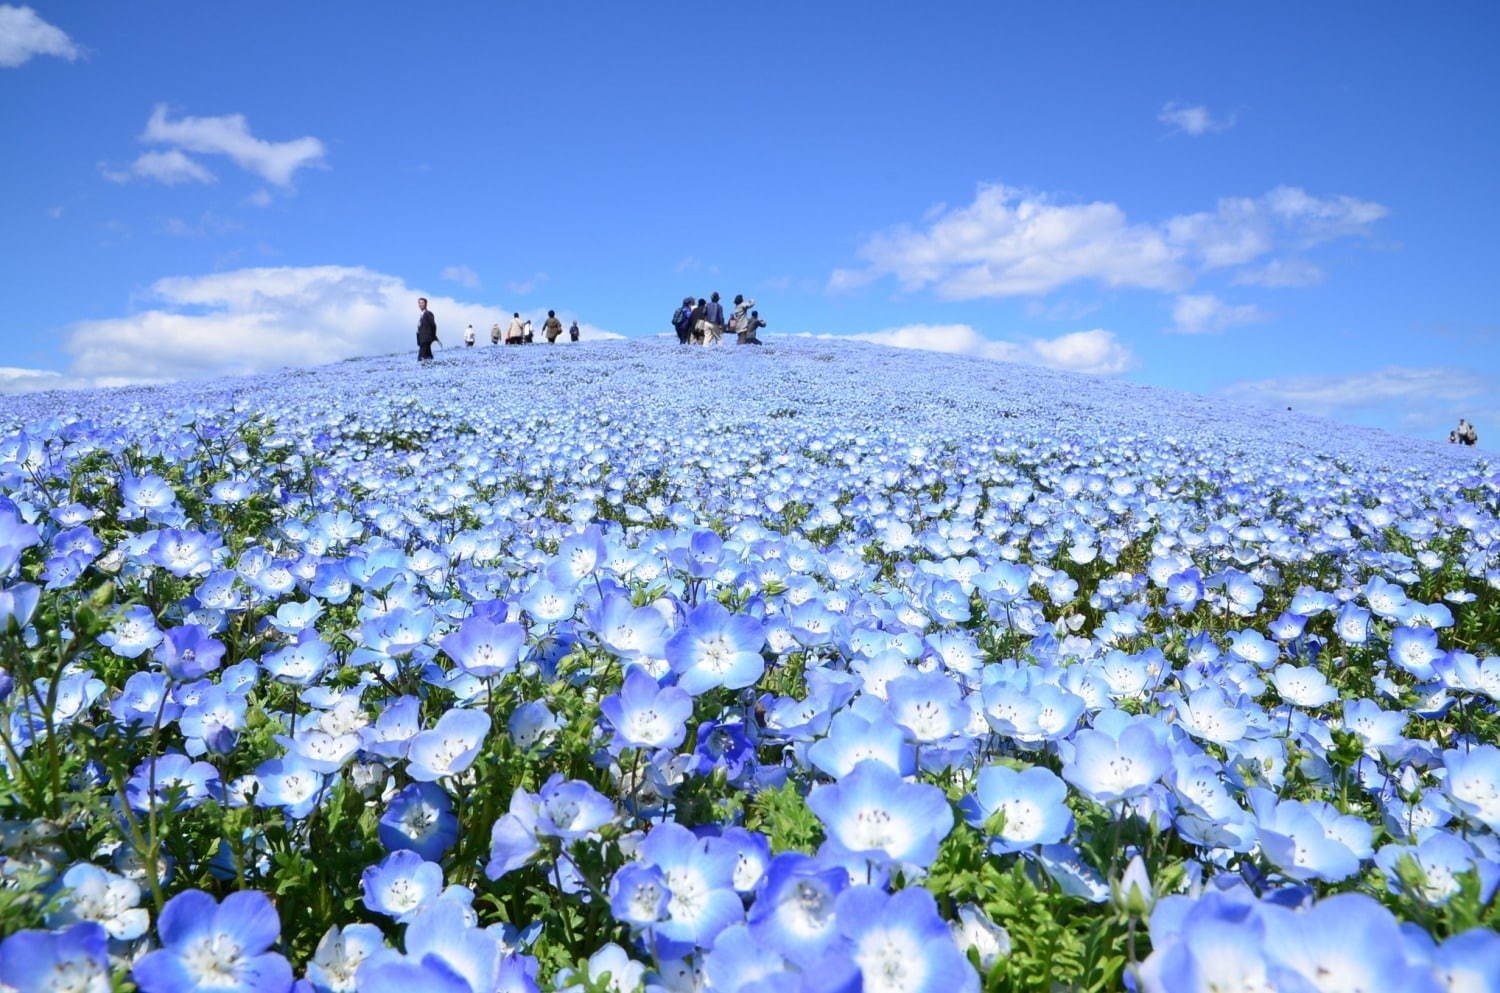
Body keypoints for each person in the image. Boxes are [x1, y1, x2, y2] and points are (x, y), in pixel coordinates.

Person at [416, 297, 438, 363]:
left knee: (420, 357)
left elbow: (433, 325)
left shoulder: (428, 313)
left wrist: (432, 336)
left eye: (422, 303)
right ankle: (433, 366)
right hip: (422, 339)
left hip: (426, 339)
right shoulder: (422, 314)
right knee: (428, 355)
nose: (420, 304)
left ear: (426, 304)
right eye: (419, 303)